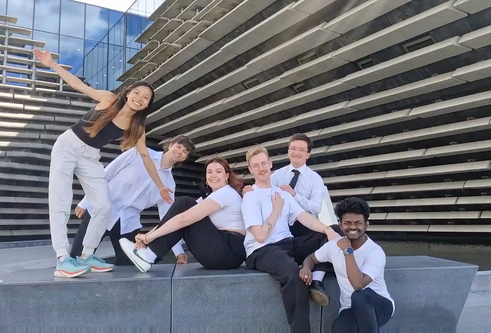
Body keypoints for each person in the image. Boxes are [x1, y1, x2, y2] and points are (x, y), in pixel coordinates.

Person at [34, 49, 172, 278]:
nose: (139, 98)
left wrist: (159, 185)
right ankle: (62, 259)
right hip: (68, 145)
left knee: (103, 206)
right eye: (137, 93)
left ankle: (87, 255)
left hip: (90, 156)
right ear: (128, 94)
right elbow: (79, 85)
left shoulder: (137, 128)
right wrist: (53, 65)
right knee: (60, 199)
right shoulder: (108, 100)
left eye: (145, 98)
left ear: (148, 104)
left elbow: (146, 157)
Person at [241, 146, 340, 333]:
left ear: (270, 164)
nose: (261, 168)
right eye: (256, 166)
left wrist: (328, 231)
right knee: (293, 275)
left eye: (264, 163)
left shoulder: (284, 194)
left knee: (333, 231)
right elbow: (261, 236)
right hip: (262, 250)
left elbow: (305, 218)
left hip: (288, 244)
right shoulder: (250, 197)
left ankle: (316, 278)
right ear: (250, 169)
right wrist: (276, 210)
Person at [69, 135, 195, 266]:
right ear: (170, 145)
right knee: (76, 258)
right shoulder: (138, 153)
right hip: (102, 209)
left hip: (127, 222)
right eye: (178, 146)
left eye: (185, 151)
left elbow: (168, 218)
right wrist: (85, 202)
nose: (180, 151)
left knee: (130, 267)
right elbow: (106, 174)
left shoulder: (169, 185)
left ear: (185, 158)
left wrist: (178, 251)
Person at [119, 157, 246, 272]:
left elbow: (183, 219)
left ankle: (148, 256)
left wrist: (148, 238)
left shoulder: (225, 193)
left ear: (227, 176)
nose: (213, 175)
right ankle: (148, 255)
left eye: (218, 171)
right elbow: (175, 217)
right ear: (206, 178)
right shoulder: (210, 198)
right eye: (209, 172)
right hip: (223, 253)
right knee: (183, 208)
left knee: (185, 203)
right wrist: (147, 236)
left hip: (228, 251)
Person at [300, 198, 394, 333]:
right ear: (340, 224)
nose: (353, 227)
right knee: (339, 328)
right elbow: (312, 258)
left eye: (358, 223)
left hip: (379, 305)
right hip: (349, 307)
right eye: (347, 223)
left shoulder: (375, 252)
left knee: (359, 296)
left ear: (366, 225)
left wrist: (347, 251)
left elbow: (358, 284)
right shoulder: (333, 246)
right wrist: (306, 268)